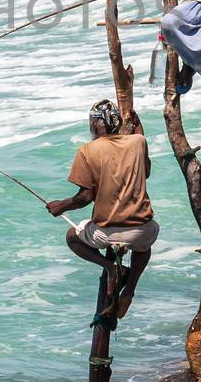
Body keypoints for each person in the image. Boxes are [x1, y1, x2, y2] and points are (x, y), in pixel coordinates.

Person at [46, 99, 159, 329]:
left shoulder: (87, 151)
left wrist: (61, 206)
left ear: (97, 125)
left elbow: (85, 198)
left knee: (71, 236)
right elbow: (145, 171)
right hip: (144, 231)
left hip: (106, 235)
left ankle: (111, 268)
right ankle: (130, 289)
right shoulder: (138, 142)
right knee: (143, 245)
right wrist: (138, 126)